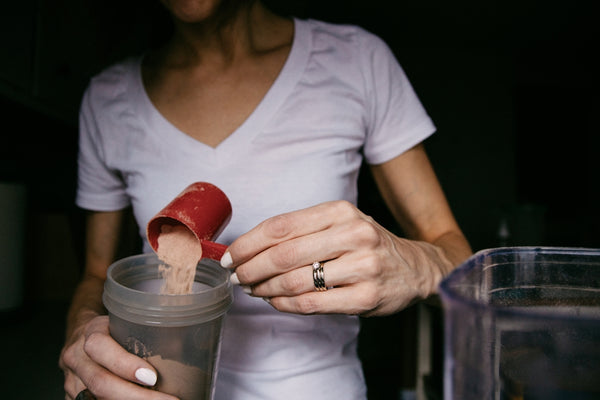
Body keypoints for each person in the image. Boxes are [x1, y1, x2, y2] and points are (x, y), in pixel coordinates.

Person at [59, 0, 472, 399]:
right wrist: (82, 332)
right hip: (159, 386)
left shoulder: (357, 60)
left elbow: (454, 251)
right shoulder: (107, 100)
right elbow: (97, 274)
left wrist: (417, 265)